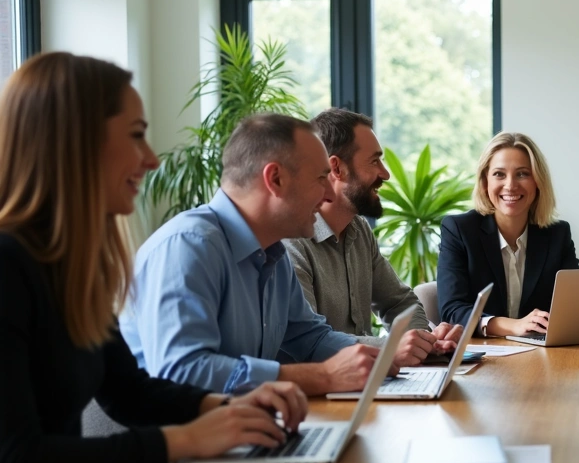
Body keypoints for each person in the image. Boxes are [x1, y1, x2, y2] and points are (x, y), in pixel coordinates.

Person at [0, 53, 307, 463]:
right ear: (77, 142)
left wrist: (227, 410)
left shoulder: (71, 268)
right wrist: (183, 441)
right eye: (137, 135)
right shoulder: (7, 265)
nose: (151, 160)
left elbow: (130, 393)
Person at [120, 114, 424, 397]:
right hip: (182, 446)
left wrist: (382, 357)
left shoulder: (272, 254)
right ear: (276, 179)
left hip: (244, 431)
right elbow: (182, 372)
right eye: (320, 178)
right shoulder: (188, 247)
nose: (330, 194)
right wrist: (321, 377)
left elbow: (312, 338)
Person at [284, 108, 462, 352]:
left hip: (367, 380)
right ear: (336, 168)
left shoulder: (358, 230)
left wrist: (422, 340)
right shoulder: (291, 242)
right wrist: (391, 348)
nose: (385, 173)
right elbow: (307, 341)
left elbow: (399, 302)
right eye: (374, 160)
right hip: (321, 386)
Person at [437, 132, 579, 337]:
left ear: (538, 182)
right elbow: (452, 311)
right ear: (485, 181)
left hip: (541, 355)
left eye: (522, 173)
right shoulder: (459, 230)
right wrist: (514, 326)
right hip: (484, 358)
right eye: (499, 174)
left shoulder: (558, 234)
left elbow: (574, 303)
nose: (511, 185)